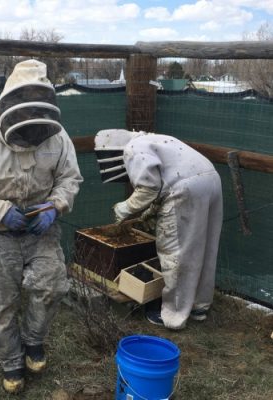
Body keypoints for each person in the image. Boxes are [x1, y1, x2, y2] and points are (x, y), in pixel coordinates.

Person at [0, 60, 83, 393]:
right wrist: (0, 211)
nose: (31, 136)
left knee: (51, 287)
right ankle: (12, 363)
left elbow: (69, 178)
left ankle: (33, 340)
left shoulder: (57, 135)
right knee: (0, 302)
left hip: (41, 230)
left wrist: (55, 205)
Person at [94, 129, 223, 330]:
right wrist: (149, 213)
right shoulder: (156, 139)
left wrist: (123, 209)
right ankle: (199, 306)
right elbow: (164, 182)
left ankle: (173, 316)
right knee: (206, 245)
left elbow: (149, 189)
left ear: (111, 152)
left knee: (176, 251)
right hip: (211, 180)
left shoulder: (132, 148)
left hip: (185, 190)